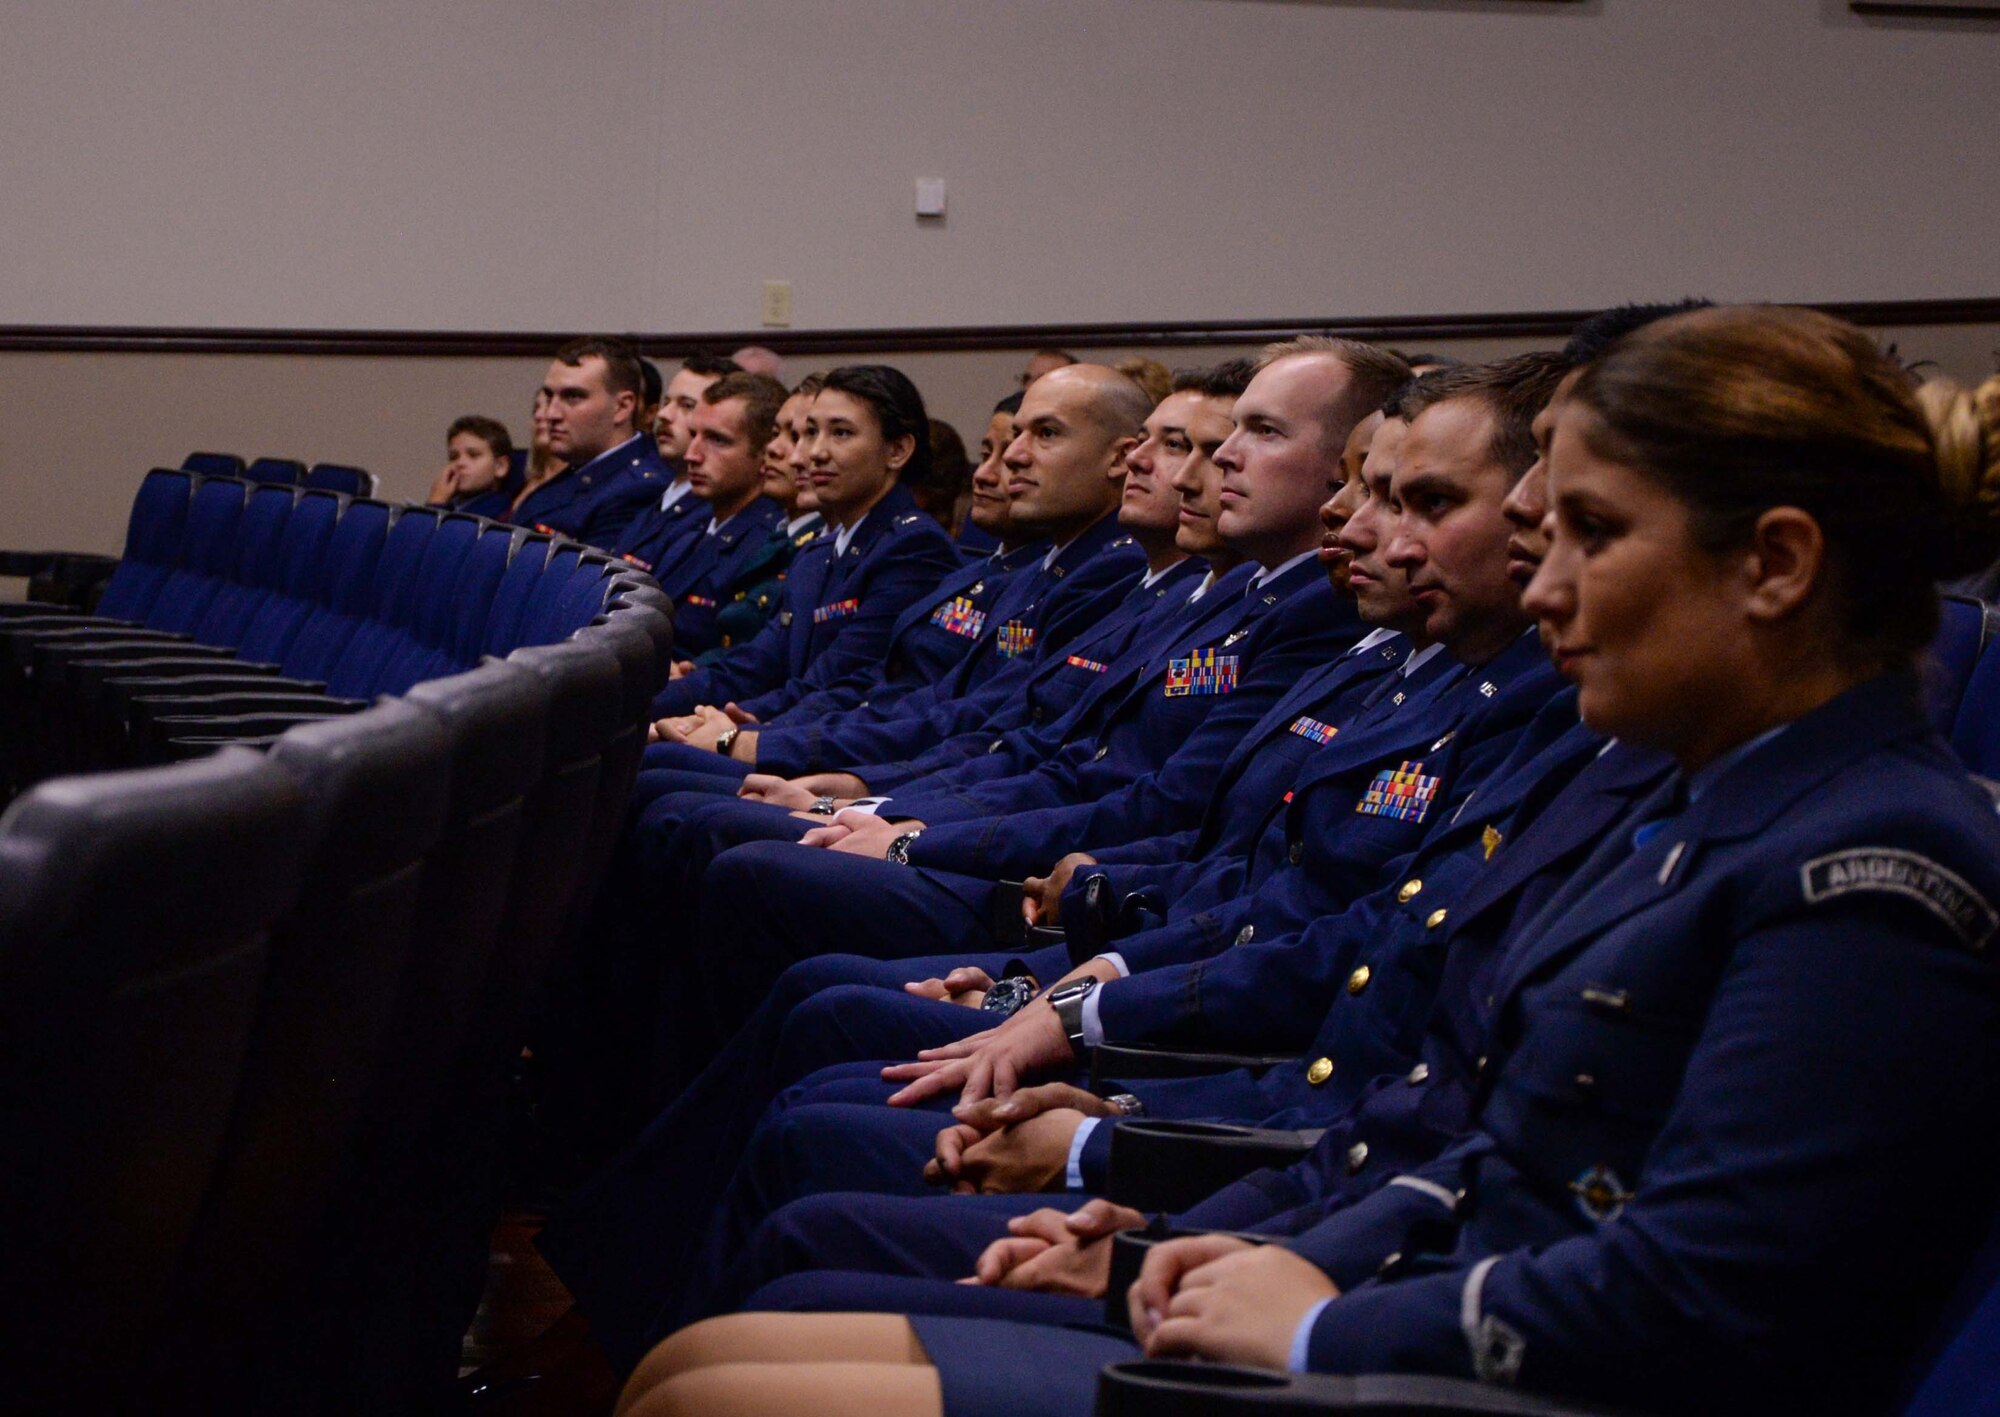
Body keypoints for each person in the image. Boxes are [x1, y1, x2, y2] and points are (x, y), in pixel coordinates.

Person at [626, 307, 2000, 1417]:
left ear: (1774, 563)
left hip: (1446, 1374)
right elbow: (1469, 1138)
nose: (1546, 586)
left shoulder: (1871, 869)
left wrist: (1316, 1315)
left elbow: (1698, 1304)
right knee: (696, 1366)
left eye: (1589, 533)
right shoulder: (1711, 796)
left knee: (725, 1386)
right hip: (1372, 1289)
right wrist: (1211, 1255)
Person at [645, 365, 962, 724]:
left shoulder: (913, 548)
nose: (814, 452)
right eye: (811, 432)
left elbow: (835, 687)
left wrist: (716, 729)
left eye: (840, 433)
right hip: (785, 725)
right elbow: (754, 666)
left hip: (831, 746)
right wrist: (637, 703)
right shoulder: (819, 551)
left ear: (897, 450)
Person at [638, 372, 792, 656]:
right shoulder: (691, 526)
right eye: (694, 435)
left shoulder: (767, 544)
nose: (692, 455)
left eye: (717, 440)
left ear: (764, 454)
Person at [511, 337, 674, 547]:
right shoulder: (582, 467)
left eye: (573, 397)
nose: (551, 414)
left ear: (622, 407)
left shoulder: (640, 489)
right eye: (550, 396)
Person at [618, 353, 747, 562]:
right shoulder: (660, 495)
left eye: (687, 405)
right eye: (666, 402)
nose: (664, 414)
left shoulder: (714, 511)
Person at [426, 414, 520, 517]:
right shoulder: (451, 503)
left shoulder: (499, 512)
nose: (460, 463)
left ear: (500, 466)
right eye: (454, 457)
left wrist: (435, 506)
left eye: (473, 455)